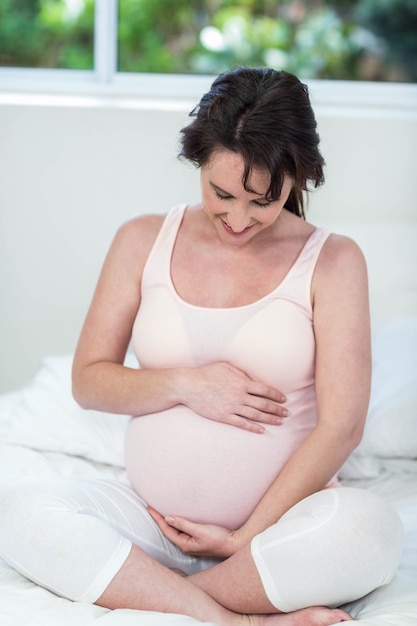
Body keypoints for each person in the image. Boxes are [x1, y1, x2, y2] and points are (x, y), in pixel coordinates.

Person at [0, 67, 403, 626]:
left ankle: (154, 591)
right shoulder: (142, 239)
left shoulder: (333, 261)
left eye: (263, 201)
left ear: (298, 180)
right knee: (15, 510)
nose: (238, 220)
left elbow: (343, 427)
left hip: (276, 533)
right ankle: (235, 617)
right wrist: (188, 385)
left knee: (370, 534)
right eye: (222, 194)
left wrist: (245, 537)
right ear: (198, 159)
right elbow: (89, 381)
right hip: (152, 522)